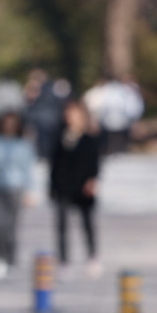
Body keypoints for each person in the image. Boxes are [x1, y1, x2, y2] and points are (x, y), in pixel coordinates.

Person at [50, 99, 103, 279]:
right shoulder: (61, 137)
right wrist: (52, 186)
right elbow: (54, 164)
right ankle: (64, 261)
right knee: (62, 225)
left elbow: (94, 162)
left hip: (83, 187)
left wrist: (92, 180)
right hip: (64, 187)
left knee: (87, 224)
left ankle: (92, 256)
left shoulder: (89, 138)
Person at [0, 111, 37, 281]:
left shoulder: (23, 144)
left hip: (16, 188)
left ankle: (11, 259)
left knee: (11, 227)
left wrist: (29, 191)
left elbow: (27, 169)